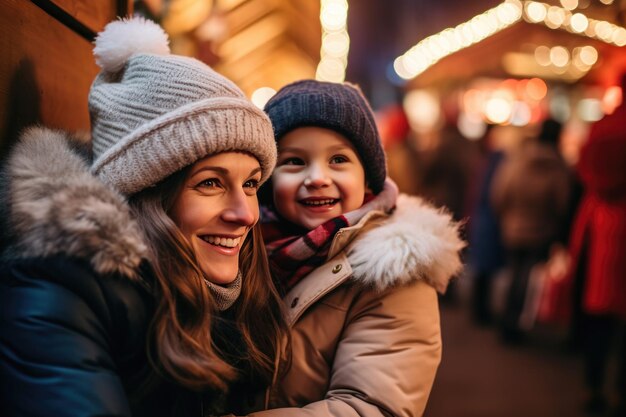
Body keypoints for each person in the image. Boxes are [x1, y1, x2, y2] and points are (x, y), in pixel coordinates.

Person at [0, 17, 286, 417]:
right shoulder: (60, 290)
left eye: (252, 184)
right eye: (210, 184)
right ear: (145, 191)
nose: (245, 214)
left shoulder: (230, 297)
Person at [244, 80, 465, 417]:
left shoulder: (394, 275)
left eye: (337, 159)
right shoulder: (241, 247)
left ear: (367, 179)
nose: (317, 177)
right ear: (267, 179)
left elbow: (370, 407)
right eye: (293, 161)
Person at [567, 73, 626, 416]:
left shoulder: (603, 127)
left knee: (599, 311)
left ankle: (593, 385)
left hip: (600, 225)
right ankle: (620, 391)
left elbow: (584, 170)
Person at [490, 118, 573, 343]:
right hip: (541, 231)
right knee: (527, 280)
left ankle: (506, 321)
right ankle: (517, 323)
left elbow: (499, 192)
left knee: (513, 274)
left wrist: (506, 217)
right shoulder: (559, 167)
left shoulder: (518, 159)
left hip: (513, 227)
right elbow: (562, 203)